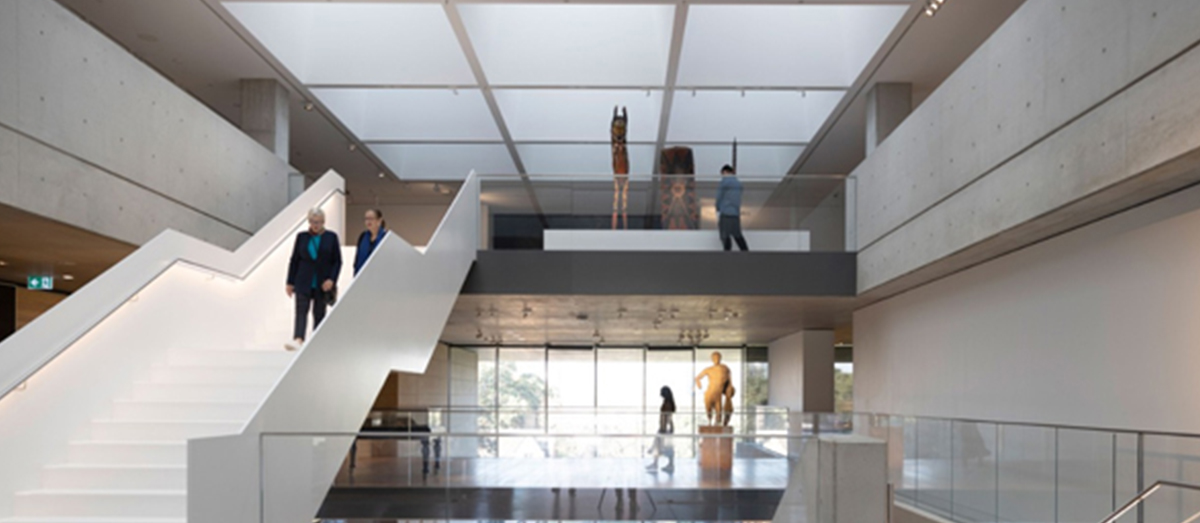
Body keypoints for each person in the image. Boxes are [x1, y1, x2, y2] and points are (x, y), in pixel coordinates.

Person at [285, 208, 342, 351]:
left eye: (318, 222)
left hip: (322, 282)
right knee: (301, 310)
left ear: (323, 222)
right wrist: (290, 282)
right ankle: (298, 338)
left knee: (319, 312)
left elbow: (337, 261)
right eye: (312, 221)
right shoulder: (302, 237)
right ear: (309, 222)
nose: (315, 225)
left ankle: (318, 341)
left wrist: (332, 279)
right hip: (303, 280)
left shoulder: (331, 237)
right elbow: (294, 260)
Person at [715, 164, 749, 251]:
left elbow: (719, 197)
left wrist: (717, 207)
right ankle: (746, 252)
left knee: (725, 235)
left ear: (725, 172)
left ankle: (727, 255)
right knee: (737, 234)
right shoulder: (738, 184)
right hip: (735, 213)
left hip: (725, 212)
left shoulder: (724, 182)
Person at [696, 351, 735, 426]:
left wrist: (729, 389)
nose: (716, 359)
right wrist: (699, 384)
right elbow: (698, 377)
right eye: (714, 358)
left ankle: (717, 427)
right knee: (709, 411)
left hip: (718, 395)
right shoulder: (709, 369)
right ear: (712, 359)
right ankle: (710, 423)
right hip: (709, 393)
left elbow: (730, 381)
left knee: (719, 413)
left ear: (720, 358)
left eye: (717, 357)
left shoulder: (725, 369)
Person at [646, 386, 677, 473]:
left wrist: (663, 429)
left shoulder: (667, 404)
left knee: (660, 446)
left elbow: (666, 417)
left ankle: (659, 464)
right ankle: (662, 464)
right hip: (665, 428)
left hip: (664, 428)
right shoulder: (668, 403)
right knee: (661, 446)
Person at [353, 209, 387, 276]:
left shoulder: (385, 237)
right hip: (362, 275)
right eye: (366, 219)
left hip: (380, 275)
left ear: (379, 221)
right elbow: (357, 259)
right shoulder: (362, 236)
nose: (368, 221)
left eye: (371, 218)